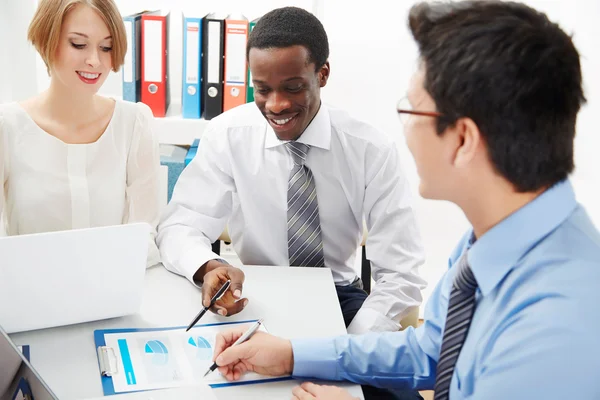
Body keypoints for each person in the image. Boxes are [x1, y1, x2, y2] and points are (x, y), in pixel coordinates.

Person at [210, 1, 600, 399]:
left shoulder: (558, 327)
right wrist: (293, 354)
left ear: (462, 139)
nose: (406, 130)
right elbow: (430, 353)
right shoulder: (489, 243)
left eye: (411, 110)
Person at [157, 7, 426, 336]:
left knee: (383, 389)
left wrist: (347, 352)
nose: (275, 105)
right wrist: (210, 265)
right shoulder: (227, 135)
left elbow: (401, 274)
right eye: (263, 89)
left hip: (338, 296)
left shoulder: (371, 149)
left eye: (293, 87)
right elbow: (179, 226)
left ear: (322, 74)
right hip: (254, 294)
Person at [0, 0, 161, 267]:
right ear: (46, 40)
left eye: (106, 47)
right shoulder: (7, 126)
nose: (95, 61)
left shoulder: (134, 123)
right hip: (29, 296)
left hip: (113, 293)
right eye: (78, 44)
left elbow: (143, 236)